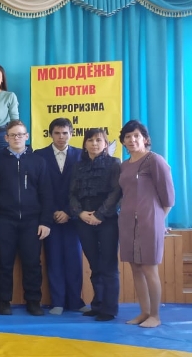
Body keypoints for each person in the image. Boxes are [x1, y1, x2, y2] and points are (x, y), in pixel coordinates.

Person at [0, 120, 52, 316]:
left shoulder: (38, 161)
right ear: (6, 138)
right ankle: (3, 301)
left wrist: (45, 221)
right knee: (3, 262)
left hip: (32, 221)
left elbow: (46, 194)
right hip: (4, 219)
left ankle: (33, 301)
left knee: (32, 262)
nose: (17, 138)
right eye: (13, 135)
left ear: (27, 136)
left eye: (20, 134)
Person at [118, 120, 175, 328]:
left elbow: (169, 198)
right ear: (123, 141)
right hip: (127, 223)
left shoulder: (155, 160)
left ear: (145, 138)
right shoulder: (124, 165)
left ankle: (155, 316)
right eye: (127, 136)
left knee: (149, 269)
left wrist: (157, 220)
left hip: (149, 222)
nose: (132, 140)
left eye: (136, 136)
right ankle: (144, 312)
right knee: (135, 268)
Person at [34, 118, 85, 315]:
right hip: (50, 217)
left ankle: (76, 301)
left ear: (71, 134)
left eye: (65, 133)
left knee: (74, 260)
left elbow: (82, 189)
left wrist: (69, 212)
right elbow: (39, 188)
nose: (61, 137)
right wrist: (54, 211)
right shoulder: (40, 155)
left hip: (73, 217)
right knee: (53, 259)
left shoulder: (81, 155)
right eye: (57, 133)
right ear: (50, 134)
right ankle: (57, 302)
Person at [70, 128, 122, 322]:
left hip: (107, 220)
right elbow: (72, 193)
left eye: (98, 140)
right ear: (84, 144)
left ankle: (109, 309)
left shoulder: (114, 163)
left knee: (108, 265)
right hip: (84, 220)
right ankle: (97, 304)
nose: (94, 144)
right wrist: (80, 213)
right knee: (94, 264)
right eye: (90, 140)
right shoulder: (78, 166)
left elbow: (116, 192)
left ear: (106, 144)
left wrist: (99, 215)